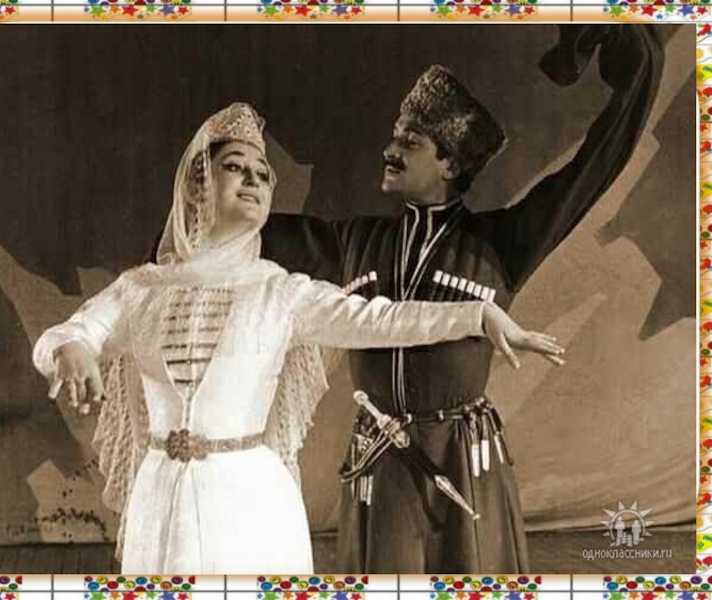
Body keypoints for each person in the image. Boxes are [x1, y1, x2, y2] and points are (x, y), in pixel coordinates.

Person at [33, 103, 564, 574]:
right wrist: (71, 348)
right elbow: (68, 334)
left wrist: (478, 315)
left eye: (263, 175)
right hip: (160, 497)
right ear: (196, 185)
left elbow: (379, 319)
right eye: (234, 167)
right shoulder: (141, 289)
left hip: (249, 501)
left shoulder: (280, 292)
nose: (253, 180)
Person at [260, 25, 663, 572]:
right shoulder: (354, 240)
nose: (390, 150)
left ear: (450, 164)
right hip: (381, 463)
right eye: (395, 136)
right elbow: (249, 231)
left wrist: (631, 54)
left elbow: (590, 171)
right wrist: (212, 189)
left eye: (410, 142)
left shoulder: (501, 243)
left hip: (463, 458)